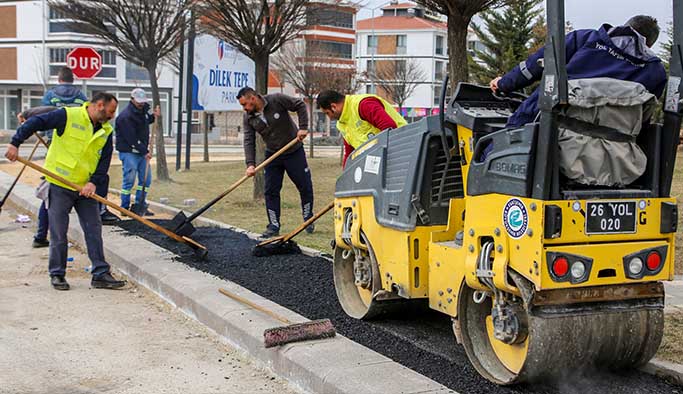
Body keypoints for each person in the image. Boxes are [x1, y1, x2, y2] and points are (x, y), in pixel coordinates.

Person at [5, 92, 126, 291]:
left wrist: (93, 182)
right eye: (111, 111)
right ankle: (58, 274)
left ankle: (100, 273)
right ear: (100, 105)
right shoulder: (67, 115)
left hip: (84, 188)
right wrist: (15, 142)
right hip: (59, 185)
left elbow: (104, 161)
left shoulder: (106, 130)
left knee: (94, 230)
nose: (113, 115)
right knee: (59, 232)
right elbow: (35, 122)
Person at [489, 15, 667, 128]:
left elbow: (533, 66)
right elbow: (644, 115)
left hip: (549, 128)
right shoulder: (655, 73)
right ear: (649, 45)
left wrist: (503, 83)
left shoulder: (585, 39)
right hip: (614, 148)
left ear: (625, 28)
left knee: (492, 149)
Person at [237, 87, 312, 238]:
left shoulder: (276, 99)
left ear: (253, 98)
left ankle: (308, 218)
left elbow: (300, 105)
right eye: (242, 106)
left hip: (293, 151)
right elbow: (248, 140)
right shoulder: (248, 118)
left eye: (245, 104)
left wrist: (303, 127)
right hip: (273, 155)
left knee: (304, 186)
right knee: (270, 191)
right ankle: (273, 225)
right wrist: (250, 164)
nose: (244, 108)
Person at [316, 90, 407, 167]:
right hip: (379, 160)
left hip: (402, 150)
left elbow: (390, 128)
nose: (330, 118)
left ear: (334, 107)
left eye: (327, 113)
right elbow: (350, 153)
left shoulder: (364, 105)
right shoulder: (342, 124)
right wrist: (346, 177)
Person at [115, 88, 160, 215]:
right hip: (129, 151)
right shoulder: (126, 117)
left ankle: (140, 204)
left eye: (142, 101)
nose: (141, 104)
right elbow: (131, 138)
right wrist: (145, 151)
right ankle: (124, 208)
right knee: (129, 180)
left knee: (146, 180)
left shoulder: (143, 112)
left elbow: (145, 121)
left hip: (141, 152)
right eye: (138, 101)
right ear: (132, 99)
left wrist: (153, 117)